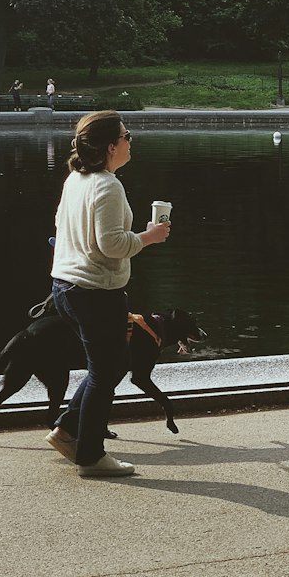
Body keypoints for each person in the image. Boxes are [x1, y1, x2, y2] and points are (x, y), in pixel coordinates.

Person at [46, 110, 170, 478]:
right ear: (112, 146)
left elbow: (63, 225)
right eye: (127, 135)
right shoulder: (108, 185)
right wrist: (149, 238)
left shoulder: (76, 179)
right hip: (96, 292)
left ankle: (68, 430)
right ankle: (90, 456)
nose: (131, 141)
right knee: (106, 372)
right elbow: (112, 245)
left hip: (65, 287)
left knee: (108, 366)